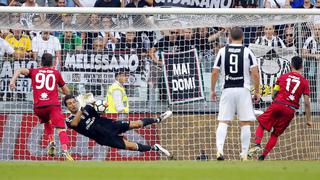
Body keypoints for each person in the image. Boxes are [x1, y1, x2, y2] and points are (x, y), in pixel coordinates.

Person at [9, 53, 73, 161]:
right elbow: (67, 92)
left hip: (39, 107)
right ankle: (65, 150)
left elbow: (19, 70)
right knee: (61, 129)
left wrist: (12, 81)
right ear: (52, 63)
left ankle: (51, 141)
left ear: (41, 62)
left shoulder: (34, 71)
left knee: (47, 122)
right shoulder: (56, 73)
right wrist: (56, 88)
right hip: (53, 106)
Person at [64, 94, 172, 156]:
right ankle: (155, 148)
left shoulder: (86, 108)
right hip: (102, 137)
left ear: (76, 102)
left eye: (74, 102)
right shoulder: (69, 119)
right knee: (130, 146)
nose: (73, 105)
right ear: (66, 107)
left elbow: (101, 111)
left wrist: (95, 102)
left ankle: (158, 119)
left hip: (109, 124)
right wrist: (81, 108)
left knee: (135, 124)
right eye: (70, 104)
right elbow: (75, 124)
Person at [211, 26, 261, 161]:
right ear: (242, 37)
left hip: (227, 89)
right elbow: (255, 74)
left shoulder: (222, 51)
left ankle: (220, 150)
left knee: (223, 121)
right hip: (243, 90)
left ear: (230, 37)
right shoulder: (247, 51)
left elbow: (215, 71)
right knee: (245, 123)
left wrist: (212, 90)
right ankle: (244, 154)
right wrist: (257, 91)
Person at [248, 56, 312, 160]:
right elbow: (307, 102)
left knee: (262, 124)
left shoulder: (283, 77)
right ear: (302, 67)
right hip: (290, 109)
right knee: (275, 134)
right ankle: (262, 156)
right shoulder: (304, 82)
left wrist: (275, 98)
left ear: (291, 65)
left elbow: (274, 93)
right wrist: (308, 119)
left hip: (278, 104)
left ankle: (257, 144)